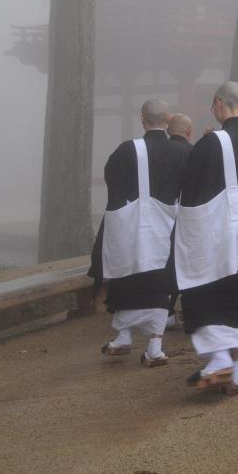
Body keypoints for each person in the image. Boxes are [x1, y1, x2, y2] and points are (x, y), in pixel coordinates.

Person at [173, 82, 238, 396]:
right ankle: (237, 372)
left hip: (215, 232)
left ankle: (218, 359)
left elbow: (190, 188)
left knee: (206, 289)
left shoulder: (209, 144)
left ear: (218, 104)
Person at [89, 99, 186, 368]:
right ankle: (154, 348)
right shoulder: (179, 152)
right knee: (160, 282)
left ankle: (122, 337)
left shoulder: (126, 150)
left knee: (125, 276)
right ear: (167, 120)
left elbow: (111, 178)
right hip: (166, 225)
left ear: (143, 120)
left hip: (128, 226)